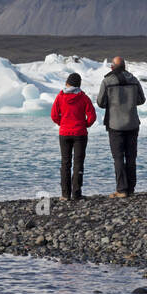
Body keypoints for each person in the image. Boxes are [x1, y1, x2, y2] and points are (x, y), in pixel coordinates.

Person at [97, 55, 146, 197]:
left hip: (115, 125)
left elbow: (101, 102)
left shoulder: (107, 81)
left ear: (112, 67)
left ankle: (121, 189)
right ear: (125, 66)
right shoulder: (134, 80)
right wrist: (129, 103)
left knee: (118, 157)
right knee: (131, 157)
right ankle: (131, 188)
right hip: (132, 123)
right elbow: (141, 100)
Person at [50, 71, 96, 200]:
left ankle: (65, 194)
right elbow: (92, 116)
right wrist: (84, 124)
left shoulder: (60, 97)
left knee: (65, 163)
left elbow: (54, 115)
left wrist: (63, 123)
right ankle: (76, 193)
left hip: (64, 133)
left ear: (67, 83)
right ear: (79, 85)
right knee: (78, 163)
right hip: (80, 133)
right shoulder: (83, 98)